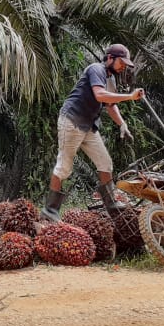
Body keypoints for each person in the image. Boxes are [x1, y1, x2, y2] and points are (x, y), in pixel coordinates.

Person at [41, 43, 144, 221]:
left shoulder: (110, 79)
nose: (123, 66)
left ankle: (111, 203)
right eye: (121, 62)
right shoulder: (96, 69)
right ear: (110, 58)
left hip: (88, 126)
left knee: (105, 163)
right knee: (65, 166)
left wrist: (122, 124)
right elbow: (100, 96)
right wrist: (129, 96)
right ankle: (50, 210)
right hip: (72, 121)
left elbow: (110, 105)